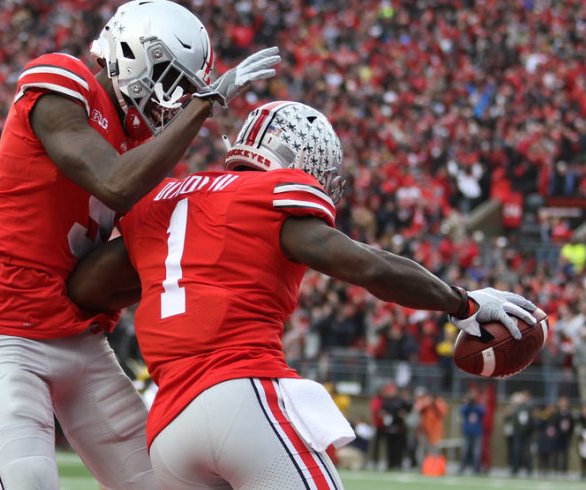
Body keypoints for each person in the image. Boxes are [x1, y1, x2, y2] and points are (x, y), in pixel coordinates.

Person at [67, 100, 538, 489]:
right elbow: (366, 265)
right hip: (240, 396)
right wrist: (462, 302)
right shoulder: (269, 195)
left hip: (169, 429)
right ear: (299, 160)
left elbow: (86, 288)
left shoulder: (164, 198)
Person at [0, 1, 279, 488]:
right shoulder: (65, 81)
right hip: (12, 331)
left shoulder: (139, 146)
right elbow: (112, 183)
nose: (173, 100)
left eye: (185, 92)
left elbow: (161, 245)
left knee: (158, 483)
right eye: (172, 83)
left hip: (82, 336)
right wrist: (204, 104)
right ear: (135, 53)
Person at [459, 392, 486, 475]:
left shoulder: (478, 407)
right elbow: (462, 411)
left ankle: (476, 469)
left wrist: (474, 405)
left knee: (476, 452)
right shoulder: (466, 407)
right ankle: (462, 468)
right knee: (465, 451)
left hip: (477, 432)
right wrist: (468, 404)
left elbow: (483, 412)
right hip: (467, 432)